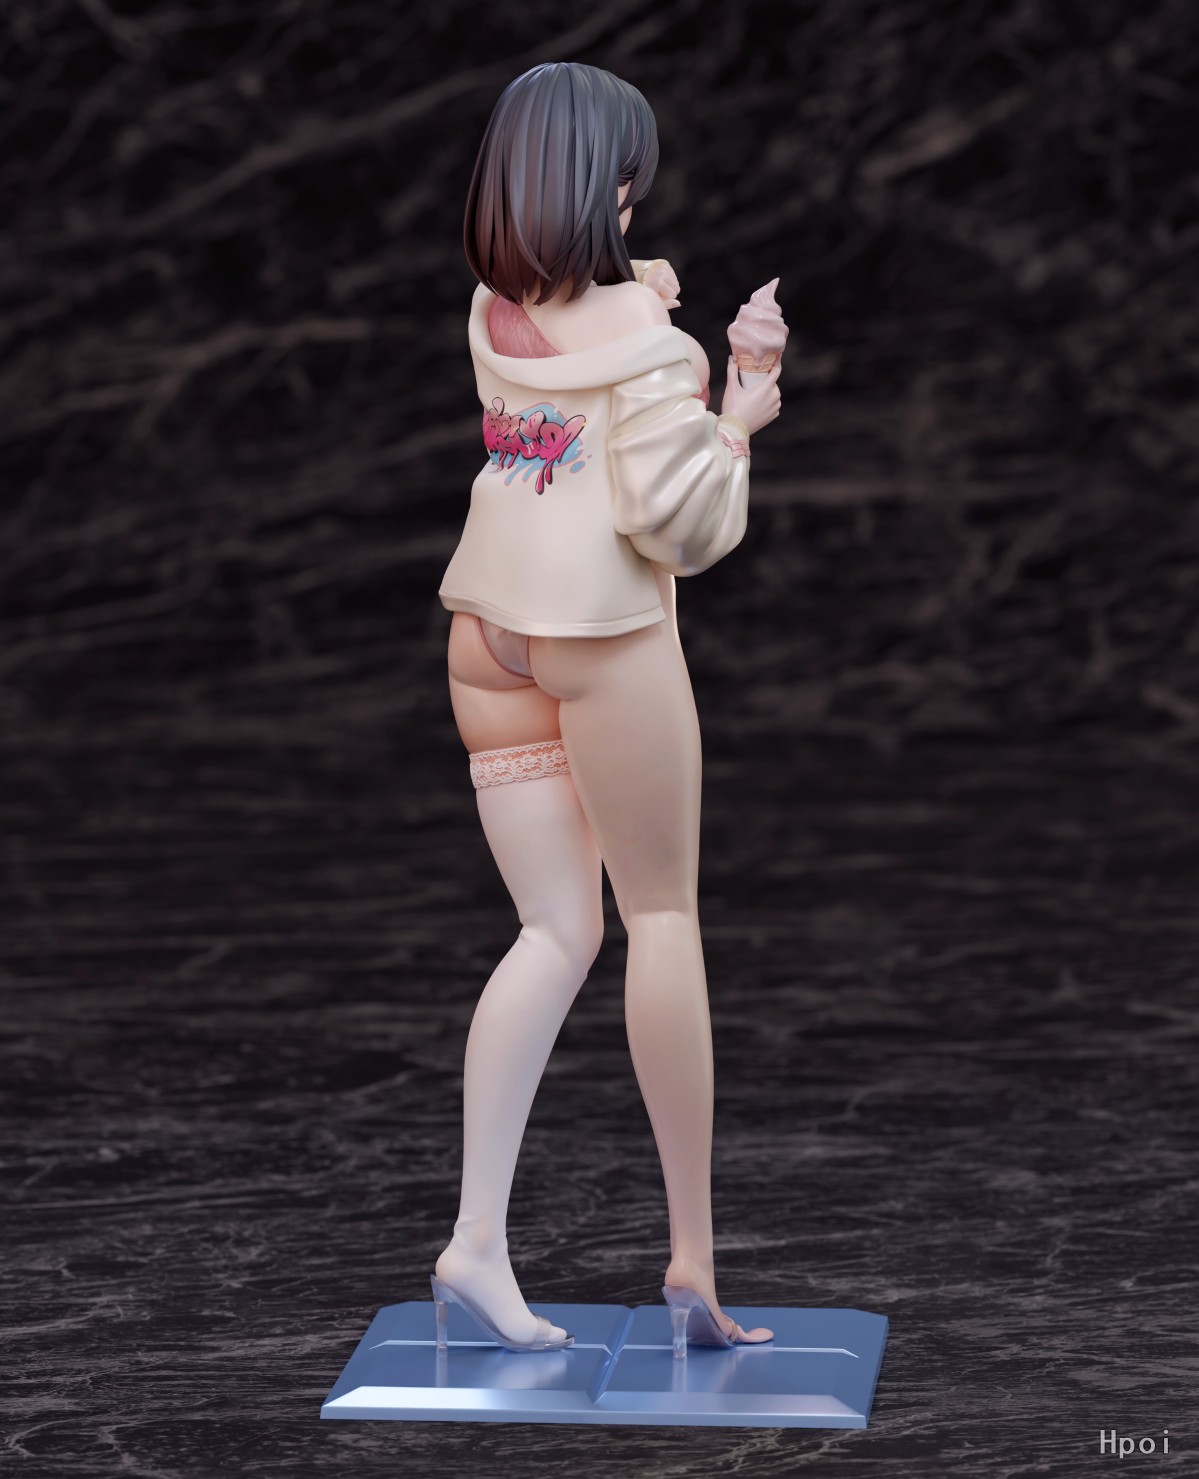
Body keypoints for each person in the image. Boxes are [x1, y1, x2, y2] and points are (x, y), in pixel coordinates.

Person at [432, 61, 783, 1356]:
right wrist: (737, 411)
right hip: (599, 636)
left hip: (486, 636)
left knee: (552, 930)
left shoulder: (492, 309)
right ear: (612, 182)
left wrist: (650, 302)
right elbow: (679, 526)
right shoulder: (653, 342)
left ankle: (477, 1240)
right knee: (661, 918)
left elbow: (576, 338)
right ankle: (692, 1257)